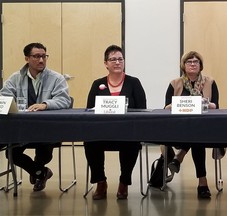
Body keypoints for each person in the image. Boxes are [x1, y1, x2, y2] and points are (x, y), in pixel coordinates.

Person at [0, 42, 71, 191]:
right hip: (22, 129)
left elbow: (64, 100)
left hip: (47, 128)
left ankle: (38, 171)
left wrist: (46, 104)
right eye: (36, 56)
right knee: (11, 153)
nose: (41, 60)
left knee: (44, 152)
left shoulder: (57, 78)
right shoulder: (15, 78)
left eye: (44, 56)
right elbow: (4, 97)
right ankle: (40, 172)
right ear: (27, 58)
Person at [84, 45, 147, 200]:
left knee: (131, 143)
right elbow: (90, 110)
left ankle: (124, 182)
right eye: (113, 59)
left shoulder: (134, 82)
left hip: (127, 132)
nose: (117, 62)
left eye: (120, 59)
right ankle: (100, 182)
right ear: (106, 63)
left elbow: (142, 110)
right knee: (90, 142)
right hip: (102, 132)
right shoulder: (97, 83)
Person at [162, 51, 219, 199]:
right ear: (183, 65)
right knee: (195, 137)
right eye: (189, 62)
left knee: (197, 134)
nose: (193, 64)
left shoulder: (210, 82)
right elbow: (166, 108)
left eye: (196, 62)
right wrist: (180, 104)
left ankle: (180, 156)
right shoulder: (175, 83)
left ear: (200, 66)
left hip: (204, 127)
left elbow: (216, 107)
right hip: (178, 128)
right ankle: (202, 183)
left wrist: (206, 103)